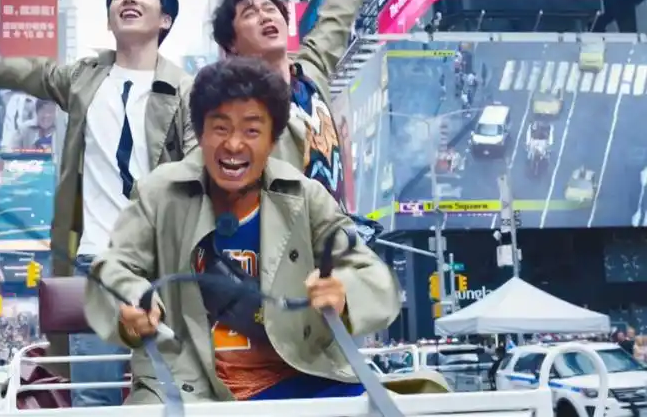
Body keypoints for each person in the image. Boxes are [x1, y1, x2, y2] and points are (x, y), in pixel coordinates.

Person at [0, 0, 195, 407]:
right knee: (92, 397)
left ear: (165, 19)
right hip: (95, 262)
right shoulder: (82, 78)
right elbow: (11, 70)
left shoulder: (187, 89)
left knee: (166, 396)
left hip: (161, 264)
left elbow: (200, 167)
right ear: (109, 18)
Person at [85, 58, 448, 403]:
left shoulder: (305, 196)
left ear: (273, 140)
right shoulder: (159, 192)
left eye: (252, 130)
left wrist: (344, 291)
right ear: (201, 133)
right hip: (187, 388)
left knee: (421, 403)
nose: (234, 144)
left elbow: (371, 274)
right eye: (220, 128)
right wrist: (132, 300)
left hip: (300, 380)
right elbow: (113, 267)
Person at [210, 0, 378, 212]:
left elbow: (337, 17)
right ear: (231, 44)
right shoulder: (235, 102)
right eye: (249, 13)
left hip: (335, 229)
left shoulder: (309, 71)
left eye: (270, 8)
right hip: (281, 231)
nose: (265, 16)